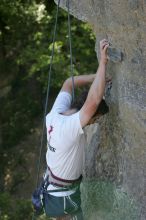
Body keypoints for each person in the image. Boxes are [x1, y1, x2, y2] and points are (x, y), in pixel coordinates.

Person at [43, 39, 110, 220]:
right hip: (62, 198)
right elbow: (94, 101)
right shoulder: (69, 127)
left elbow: (68, 83)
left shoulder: (55, 114)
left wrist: (97, 78)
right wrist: (102, 64)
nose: (92, 123)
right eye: (94, 120)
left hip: (52, 189)